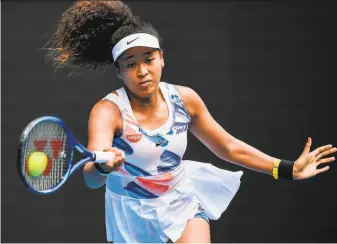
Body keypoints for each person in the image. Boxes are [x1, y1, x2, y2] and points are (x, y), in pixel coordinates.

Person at [44, 1, 336, 243]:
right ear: (119, 72)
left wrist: (285, 168)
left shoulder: (185, 100)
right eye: (131, 64)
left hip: (179, 199)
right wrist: (103, 167)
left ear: (162, 59)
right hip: (129, 215)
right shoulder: (107, 111)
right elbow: (92, 178)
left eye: (149, 59)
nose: (142, 70)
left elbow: (229, 147)